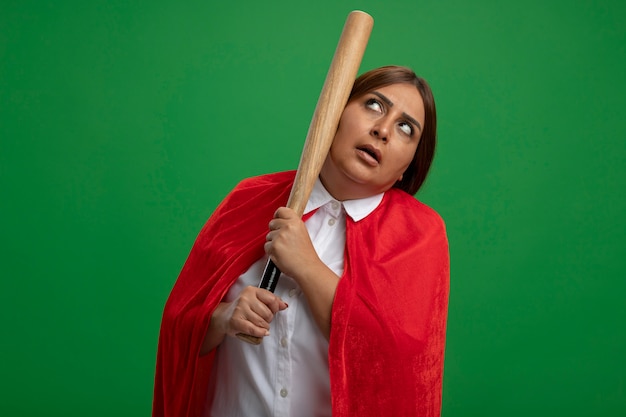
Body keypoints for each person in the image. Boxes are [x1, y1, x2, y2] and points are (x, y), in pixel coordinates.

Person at [153, 65, 450, 417]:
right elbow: (178, 334)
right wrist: (222, 318)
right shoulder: (248, 199)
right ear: (335, 112)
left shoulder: (418, 235)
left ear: (408, 167)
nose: (383, 130)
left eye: (406, 128)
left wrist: (307, 267)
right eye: (373, 105)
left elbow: (394, 366)